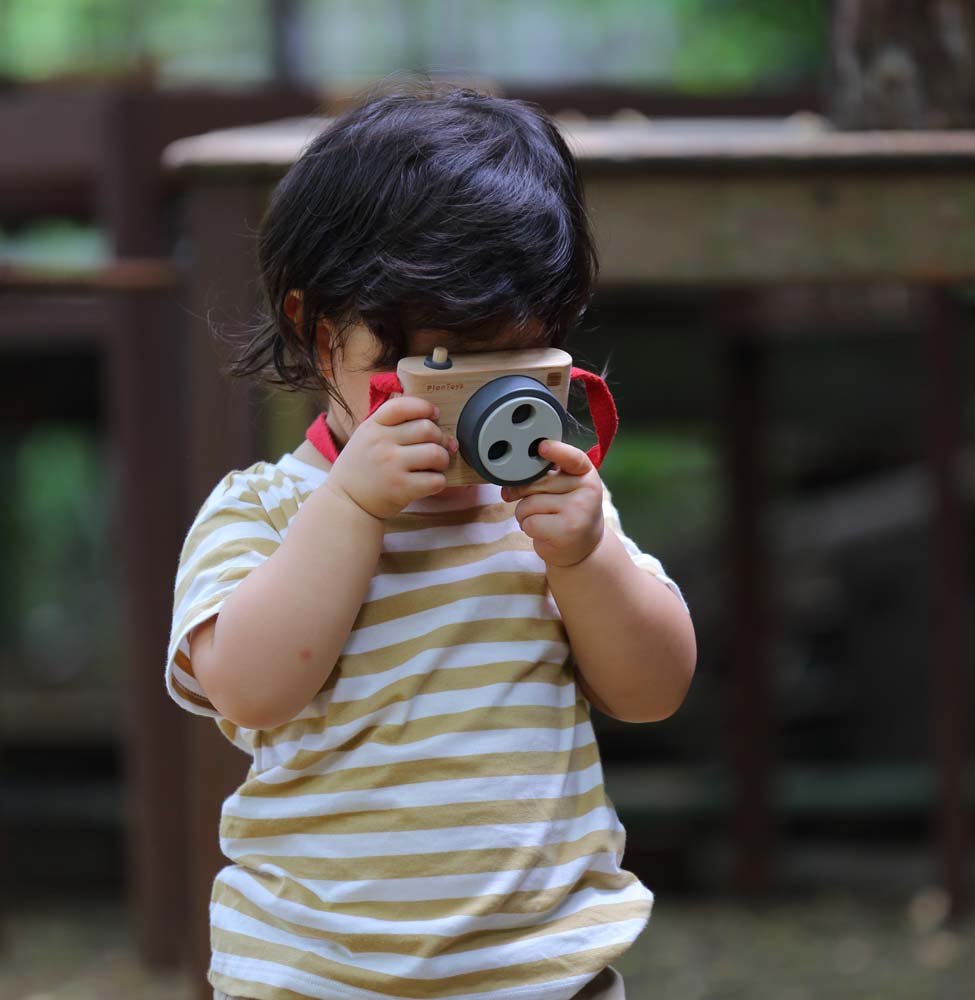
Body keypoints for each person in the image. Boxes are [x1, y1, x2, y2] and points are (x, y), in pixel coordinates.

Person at [166, 82, 697, 1000]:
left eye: (514, 356)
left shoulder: (550, 506)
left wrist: (587, 559)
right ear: (320, 336)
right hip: (317, 976)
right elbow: (251, 690)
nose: (477, 403)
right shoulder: (266, 511)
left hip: (543, 974)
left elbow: (653, 691)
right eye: (440, 364)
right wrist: (352, 509)